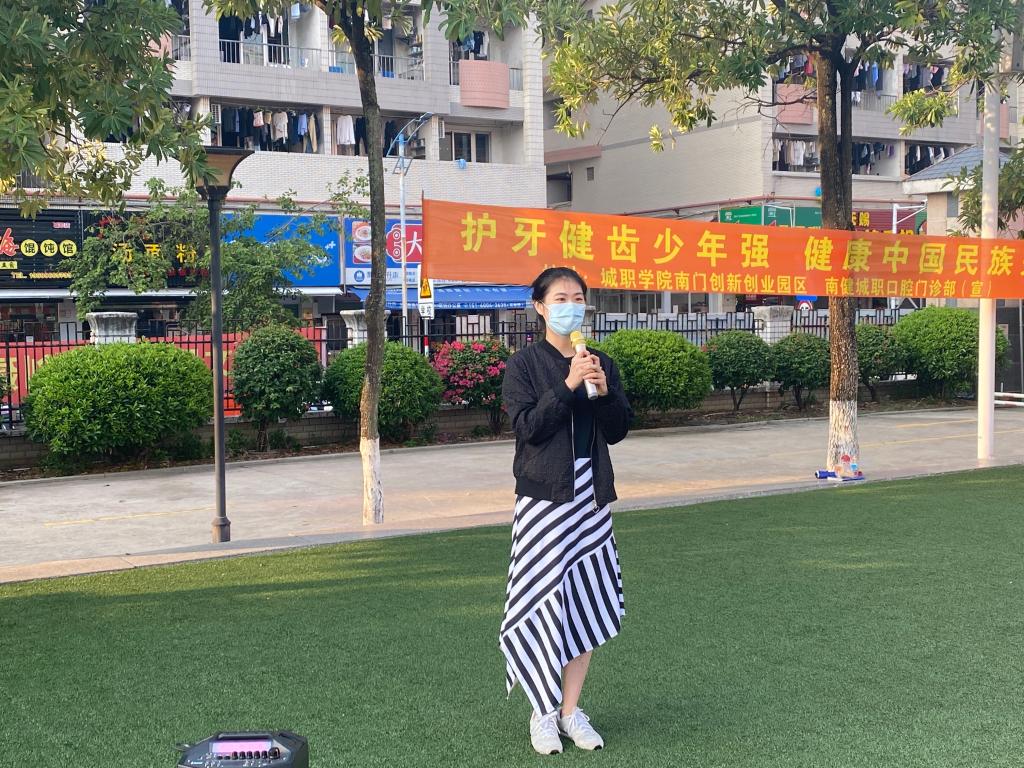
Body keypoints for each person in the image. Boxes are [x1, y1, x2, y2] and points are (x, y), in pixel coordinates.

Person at [499, 267, 632, 755]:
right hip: (543, 498)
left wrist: (602, 390)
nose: (570, 307)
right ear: (540, 307)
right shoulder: (524, 365)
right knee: (543, 600)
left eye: (578, 298)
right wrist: (568, 384)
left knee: (585, 599)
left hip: (590, 496)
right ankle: (542, 713)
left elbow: (618, 429)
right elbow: (527, 428)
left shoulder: (601, 361)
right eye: (560, 298)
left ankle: (571, 711)